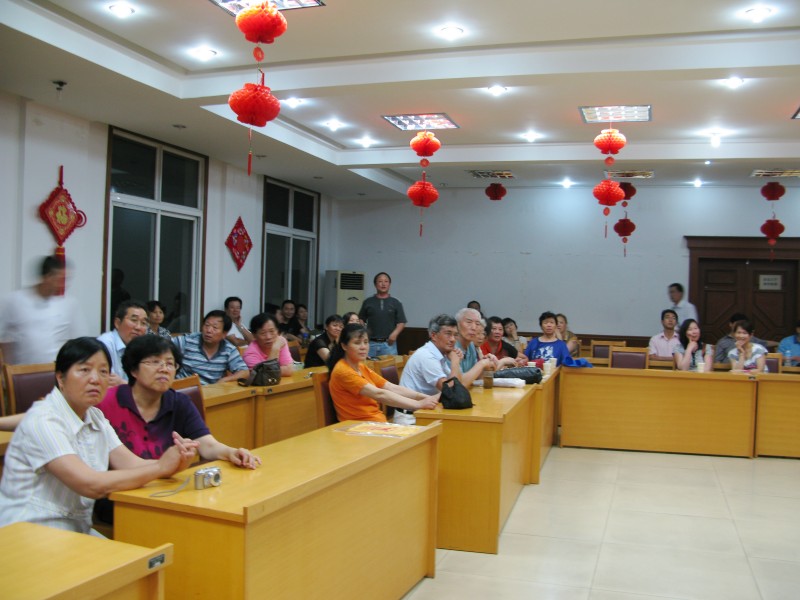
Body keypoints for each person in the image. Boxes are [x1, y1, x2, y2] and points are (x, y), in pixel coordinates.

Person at [0, 337, 198, 535]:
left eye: (103, 372)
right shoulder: (43, 420)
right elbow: (90, 484)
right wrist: (160, 467)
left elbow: (130, 463)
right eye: (84, 370)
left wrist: (174, 463)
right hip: (27, 531)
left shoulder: (95, 416)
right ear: (60, 378)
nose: (95, 379)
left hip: (74, 530)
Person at [98, 335, 260, 466]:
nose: (164, 369)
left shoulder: (179, 402)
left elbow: (206, 444)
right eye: (154, 362)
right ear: (133, 369)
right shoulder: (105, 402)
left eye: (170, 363)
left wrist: (231, 452)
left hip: (166, 486)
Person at [327, 323, 439, 422]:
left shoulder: (360, 366)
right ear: (344, 346)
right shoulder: (343, 371)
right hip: (357, 427)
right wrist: (418, 404)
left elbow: (390, 387)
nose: (363, 347)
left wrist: (424, 397)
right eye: (357, 343)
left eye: (366, 342)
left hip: (374, 423)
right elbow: (379, 394)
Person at [0, 255, 85, 365]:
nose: (64, 284)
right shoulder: (15, 301)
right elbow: (3, 336)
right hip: (22, 370)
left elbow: (79, 341)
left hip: (56, 369)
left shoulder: (69, 304)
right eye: (60, 279)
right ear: (47, 277)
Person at [398, 314, 466, 424]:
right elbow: (452, 393)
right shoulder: (427, 356)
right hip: (411, 418)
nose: (453, 339)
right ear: (433, 335)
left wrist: (456, 361)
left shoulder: (440, 354)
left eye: (455, 335)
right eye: (448, 334)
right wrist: (455, 362)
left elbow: (459, 387)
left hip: (427, 412)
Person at [173, 310, 249, 385]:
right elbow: (166, 345)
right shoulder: (189, 340)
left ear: (224, 334)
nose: (209, 330)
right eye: (207, 325)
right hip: (183, 389)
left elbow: (245, 372)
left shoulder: (228, 349)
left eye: (215, 327)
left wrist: (224, 380)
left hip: (211, 390)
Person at [97, 300, 149, 386]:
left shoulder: (142, 347)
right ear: (117, 323)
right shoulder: (105, 343)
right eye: (134, 320)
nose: (138, 327)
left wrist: (122, 383)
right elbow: (108, 381)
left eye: (143, 323)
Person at [359, 272, 407, 357]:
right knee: (367, 365)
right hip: (370, 343)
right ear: (375, 284)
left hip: (388, 344)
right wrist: (364, 332)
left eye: (386, 281)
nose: (383, 284)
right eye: (380, 281)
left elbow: (401, 322)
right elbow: (361, 319)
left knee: (390, 365)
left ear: (389, 284)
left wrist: (394, 334)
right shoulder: (368, 302)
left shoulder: (396, 302)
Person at [242, 313, 294, 377]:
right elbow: (265, 375)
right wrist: (275, 349)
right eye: (263, 333)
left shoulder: (280, 341)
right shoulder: (249, 354)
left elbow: (289, 370)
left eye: (272, 331)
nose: (268, 337)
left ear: (277, 331)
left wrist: (269, 370)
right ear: (254, 335)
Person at [454, 307, 496, 385]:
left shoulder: (471, 345)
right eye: (469, 322)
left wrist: (488, 365)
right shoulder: (451, 345)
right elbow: (459, 384)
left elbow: (476, 378)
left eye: (477, 324)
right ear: (457, 324)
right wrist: (482, 363)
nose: (473, 327)